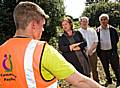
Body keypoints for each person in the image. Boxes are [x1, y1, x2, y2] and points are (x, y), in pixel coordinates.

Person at [0, 1, 105, 88]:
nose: (43, 29)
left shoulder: (1, 50)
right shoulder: (42, 50)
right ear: (33, 25)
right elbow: (80, 81)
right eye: (42, 25)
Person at [96, 13, 120, 87]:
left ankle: (119, 81)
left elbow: (116, 39)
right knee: (105, 67)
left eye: (105, 19)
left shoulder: (113, 30)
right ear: (100, 21)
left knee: (116, 67)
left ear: (108, 20)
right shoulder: (97, 31)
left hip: (112, 52)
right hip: (102, 52)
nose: (103, 21)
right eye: (102, 20)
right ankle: (109, 80)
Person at [78, 16, 99, 83]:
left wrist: (90, 50)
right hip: (83, 54)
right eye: (83, 21)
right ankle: (88, 83)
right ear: (80, 22)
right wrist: (86, 51)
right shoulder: (77, 32)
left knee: (94, 68)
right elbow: (78, 44)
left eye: (86, 21)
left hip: (93, 53)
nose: (85, 23)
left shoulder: (92, 30)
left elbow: (96, 41)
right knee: (85, 69)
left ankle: (96, 81)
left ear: (88, 22)